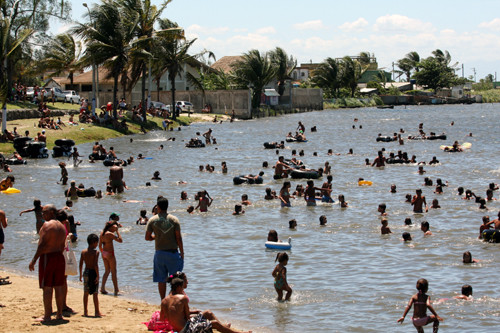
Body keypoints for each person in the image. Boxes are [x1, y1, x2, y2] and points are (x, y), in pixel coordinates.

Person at [160, 278, 250, 333]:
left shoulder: (164, 301)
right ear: (179, 287)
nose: (183, 290)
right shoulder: (183, 298)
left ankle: (224, 327)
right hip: (187, 330)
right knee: (213, 323)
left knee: (207, 313)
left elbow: (162, 318)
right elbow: (188, 318)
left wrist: (176, 317)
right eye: (182, 288)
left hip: (179, 329)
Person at [28, 205, 67, 322]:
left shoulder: (46, 225)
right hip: (59, 257)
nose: (42, 214)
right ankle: (59, 314)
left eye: (44, 212)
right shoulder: (61, 226)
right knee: (59, 286)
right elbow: (62, 246)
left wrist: (34, 260)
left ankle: (47, 315)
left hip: (48, 257)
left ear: (51, 212)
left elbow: (42, 245)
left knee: (47, 287)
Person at [145, 197, 184, 300]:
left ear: (157, 207)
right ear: (167, 206)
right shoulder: (174, 219)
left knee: (161, 280)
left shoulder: (152, 220)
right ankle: (174, 300)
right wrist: (182, 252)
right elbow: (178, 238)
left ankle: (163, 301)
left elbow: (147, 237)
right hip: (173, 253)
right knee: (175, 279)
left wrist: (156, 236)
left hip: (159, 253)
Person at [79, 233, 102, 317]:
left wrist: (81, 274)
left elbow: (81, 264)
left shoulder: (83, 252)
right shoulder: (96, 252)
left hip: (86, 272)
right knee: (95, 293)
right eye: (97, 242)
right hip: (93, 272)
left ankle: (85, 311)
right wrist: (98, 276)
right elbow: (95, 265)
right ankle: (97, 312)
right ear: (94, 242)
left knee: (86, 292)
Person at [99, 215, 123, 295]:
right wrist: (117, 231)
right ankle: (116, 289)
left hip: (104, 253)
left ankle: (102, 288)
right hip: (110, 253)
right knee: (113, 271)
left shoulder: (102, 233)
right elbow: (120, 240)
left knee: (107, 271)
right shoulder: (110, 234)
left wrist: (103, 252)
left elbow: (99, 245)